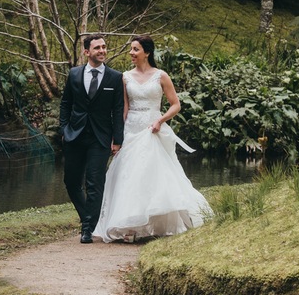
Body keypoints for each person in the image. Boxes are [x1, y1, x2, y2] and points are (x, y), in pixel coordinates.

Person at [93, 35, 212, 243]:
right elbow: (124, 109)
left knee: (153, 176)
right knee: (128, 177)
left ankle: (155, 222)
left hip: (152, 128)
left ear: (146, 52)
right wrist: (117, 135)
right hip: (132, 130)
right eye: (131, 49)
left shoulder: (161, 76)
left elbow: (176, 105)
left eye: (135, 49)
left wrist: (160, 120)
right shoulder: (125, 77)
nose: (131, 53)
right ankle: (128, 227)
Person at [59, 34, 125, 244]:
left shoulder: (115, 77)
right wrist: (64, 129)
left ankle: (87, 229)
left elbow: (117, 110)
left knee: (94, 183)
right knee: (71, 181)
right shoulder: (74, 74)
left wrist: (118, 139)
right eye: (97, 48)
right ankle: (87, 217)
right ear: (87, 52)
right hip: (75, 135)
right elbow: (65, 103)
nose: (102, 51)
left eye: (104, 47)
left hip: (100, 137)